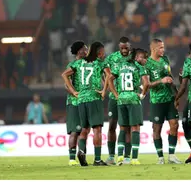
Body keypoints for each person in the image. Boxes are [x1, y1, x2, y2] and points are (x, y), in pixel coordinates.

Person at [62, 41, 110, 166]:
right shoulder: (99, 62)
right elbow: (109, 76)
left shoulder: (77, 63)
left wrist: (74, 92)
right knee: (97, 129)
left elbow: (64, 75)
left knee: (84, 129)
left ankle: (81, 152)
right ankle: (98, 159)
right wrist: (104, 91)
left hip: (81, 99)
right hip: (93, 97)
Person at [108, 48, 149, 165]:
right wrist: (142, 95)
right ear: (135, 57)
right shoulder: (138, 67)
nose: (143, 59)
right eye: (141, 57)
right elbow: (146, 82)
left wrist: (116, 94)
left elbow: (110, 79)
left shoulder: (119, 66)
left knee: (122, 128)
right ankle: (134, 158)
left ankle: (120, 156)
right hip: (133, 98)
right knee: (135, 128)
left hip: (121, 100)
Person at [145, 38, 181, 164]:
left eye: (163, 47)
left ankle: (171, 156)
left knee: (175, 125)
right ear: (154, 49)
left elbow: (169, 77)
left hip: (169, 98)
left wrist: (176, 95)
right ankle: (160, 157)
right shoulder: (147, 64)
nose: (163, 50)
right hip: (156, 101)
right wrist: (161, 81)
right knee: (156, 129)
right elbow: (147, 85)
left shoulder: (165, 60)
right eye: (160, 47)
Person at [105, 37, 133, 165]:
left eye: (126, 48)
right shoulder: (112, 58)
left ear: (129, 46)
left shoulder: (133, 58)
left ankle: (127, 156)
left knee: (127, 127)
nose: (124, 50)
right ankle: (111, 156)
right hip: (114, 98)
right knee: (112, 125)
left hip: (128, 98)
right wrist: (109, 89)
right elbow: (104, 72)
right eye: (121, 48)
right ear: (119, 47)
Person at [63, 41, 87, 166]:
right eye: (85, 49)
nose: (87, 50)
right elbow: (66, 84)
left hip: (85, 101)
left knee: (84, 129)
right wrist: (74, 93)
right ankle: (72, 159)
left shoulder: (86, 64)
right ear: (79, 51)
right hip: (74, 102)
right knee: (75, 130)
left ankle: (82, 154)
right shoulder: (72, 65)